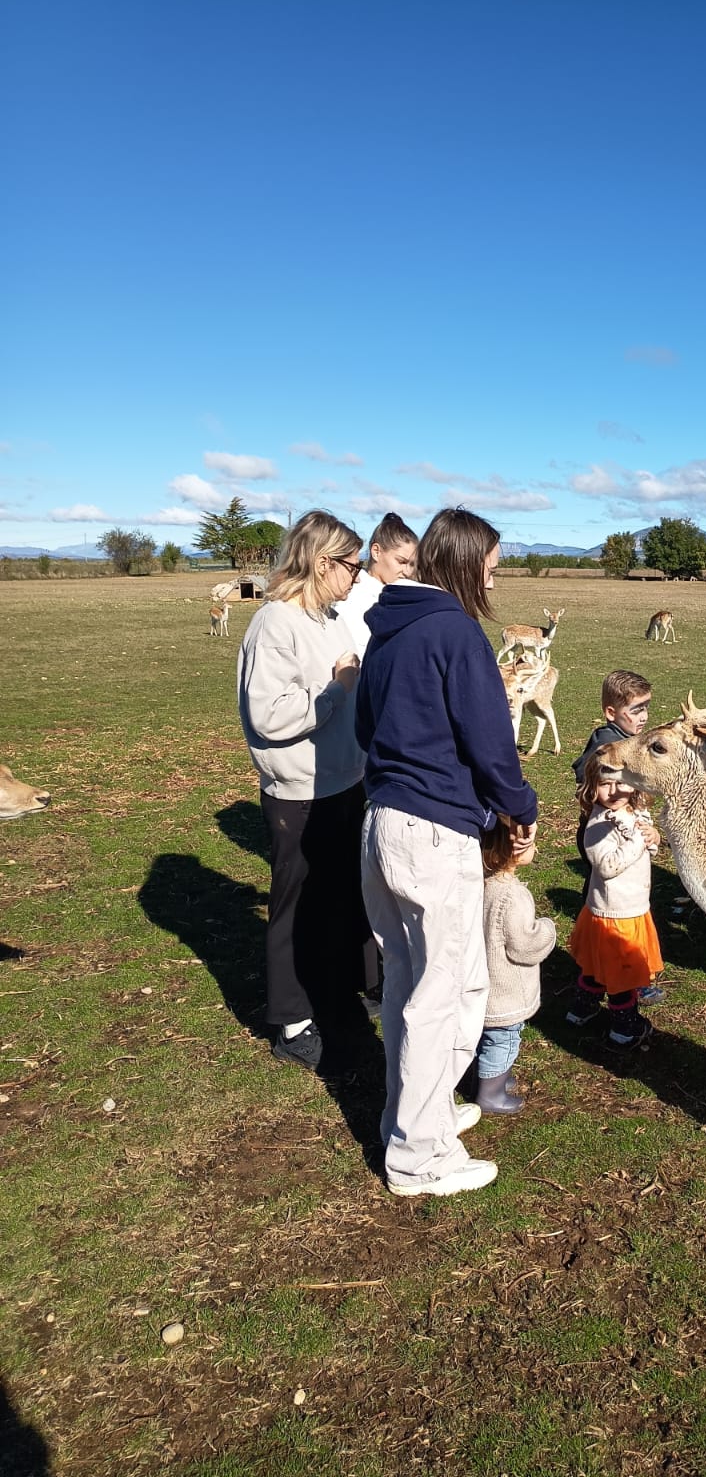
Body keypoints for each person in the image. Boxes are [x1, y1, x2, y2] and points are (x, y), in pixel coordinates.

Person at [356, 508, 538, 1198]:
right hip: (432, 837)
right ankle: (418, 1160)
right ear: (465, 562)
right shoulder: (455, 633)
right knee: (447, 995)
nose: (496, 577)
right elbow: (492, 744)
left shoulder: (387, 633)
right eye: (491, 564)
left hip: (381, 826)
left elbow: (367, 728)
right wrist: (519, 810)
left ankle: (417, 1120)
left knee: (410, 984)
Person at [236, 510, 379, 1070]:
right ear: (322, 564)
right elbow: (268, 716)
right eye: (351, 565)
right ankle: (292, 1021)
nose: (358, 575)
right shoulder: (275, 623)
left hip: (344, 779)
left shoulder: (329, 618)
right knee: (294, 904)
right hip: (298, 791)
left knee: (339, 893)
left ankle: (334, 993)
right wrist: (339, 690)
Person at [567, 758, 663, 1049]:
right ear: (591, 789)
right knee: (620, 974)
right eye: (605, 784)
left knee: (597, 967)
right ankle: (625, 1029)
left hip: (630, 907)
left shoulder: (633, 810)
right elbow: (607, 866)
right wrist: (637, 841)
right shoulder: (597, 825)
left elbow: (647, 835)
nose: (614, 790)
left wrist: (653, 836)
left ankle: (581, 1010)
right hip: (614, 914)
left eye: (620, 782)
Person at [475, 817, 556, 1114]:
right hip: (504, 991)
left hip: (479, 983)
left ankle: (493, 1077)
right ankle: (490, 1093)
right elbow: (524, 944)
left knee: (485, 1037)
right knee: (504, 1040)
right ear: (516, 850)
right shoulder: (513, 895)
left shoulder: (479, 883)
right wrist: (547, 929)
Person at [333, 512, 418, 658]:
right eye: (401, 561)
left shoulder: (402, 596)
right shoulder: (350, 597)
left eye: (411, 565)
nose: (407, 571)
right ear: (376, 552)